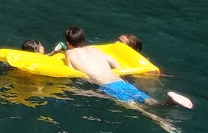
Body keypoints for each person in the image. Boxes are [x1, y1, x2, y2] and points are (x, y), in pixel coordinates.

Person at [61, 27, 191, 109]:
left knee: (137, 108)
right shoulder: (95, 49)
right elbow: (116, 64)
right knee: (145, 100)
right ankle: (169, 101)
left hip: (105, 84)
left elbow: (71, 72)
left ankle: (164, 121)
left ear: (68, 43)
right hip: (117, 79)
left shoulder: (69, 53)